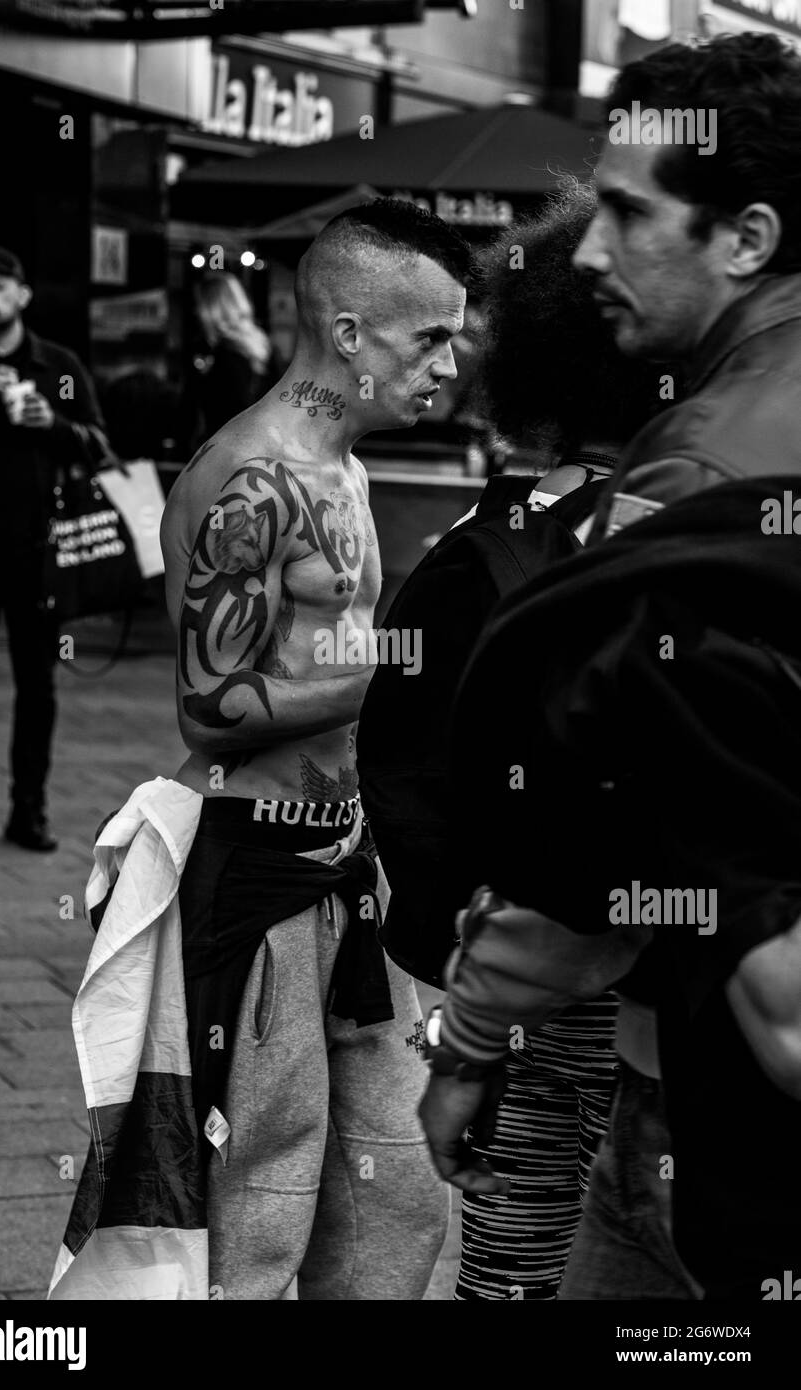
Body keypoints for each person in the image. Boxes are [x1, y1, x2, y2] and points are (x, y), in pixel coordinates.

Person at [418, 31, 801, 1301]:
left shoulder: (695, 474)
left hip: (729, 1128)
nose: (585, 249)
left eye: (627, 214)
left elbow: (587, 808)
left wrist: (469, 1041)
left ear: (743, 238)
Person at [158, 197, 470, 1299]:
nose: (451, 359)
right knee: (262, 1190)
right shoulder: (243, 472)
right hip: (257, 873)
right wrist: (412, 664)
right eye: (427, 334)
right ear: (348, 335)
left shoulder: (348, 465)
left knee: (391, 1188)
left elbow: (335, 661)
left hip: (349, 864)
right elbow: (209, 703)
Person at [452, 180, 668, 1301]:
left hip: (532, 952)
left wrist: (466, 1006)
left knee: (521, 1211)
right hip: (652, 988)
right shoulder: (686, 508)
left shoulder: (487, 542)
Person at [0, 246, 110, 852]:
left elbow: (99, 450)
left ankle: (28, 812)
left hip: (41, 552)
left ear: (22, 295)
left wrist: (53, 426)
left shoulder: (57, 365)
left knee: (38, 686)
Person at [182, 273, 276, 454]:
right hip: (262, 452)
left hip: (227, 455)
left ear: (212, 309)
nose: (196, 311)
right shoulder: (263, 346)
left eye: (199, 305)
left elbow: (226, 413)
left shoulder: (225, 356)